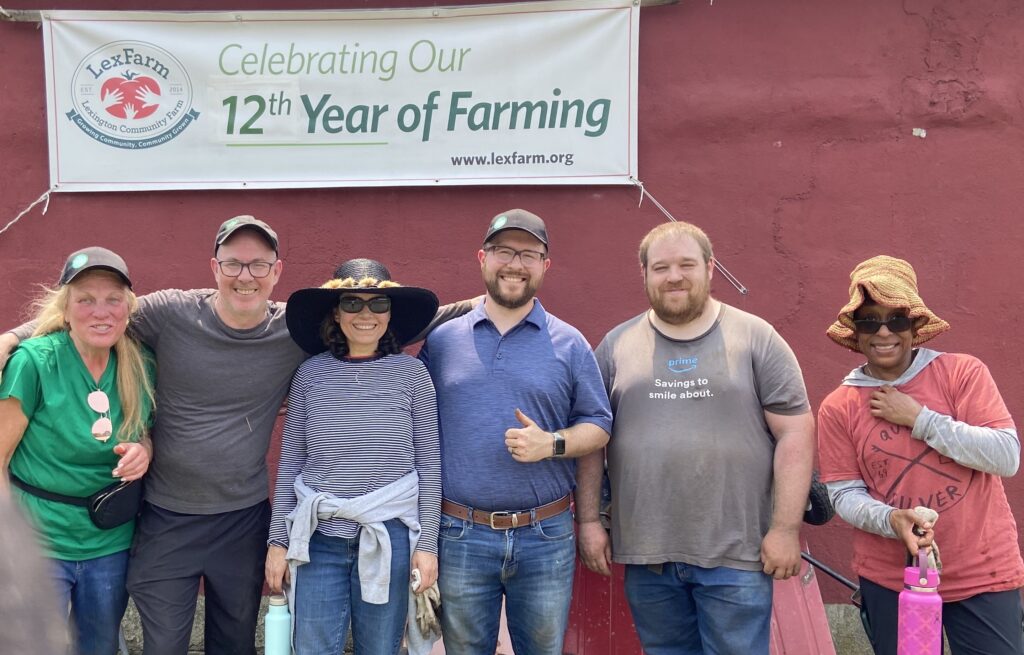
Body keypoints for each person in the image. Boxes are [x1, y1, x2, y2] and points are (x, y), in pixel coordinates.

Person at [0, 216, 470, 655]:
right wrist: (13, 338)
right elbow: (98, 311)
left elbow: (387, 321)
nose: (246, 276)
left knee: (236, 641)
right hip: (166, 516)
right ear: (214, 267)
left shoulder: (295, 330)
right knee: (163, 643)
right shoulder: (171, 312)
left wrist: (480, 305)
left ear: (276, 271)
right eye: (233, 264)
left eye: (259, 265)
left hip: (242, 521)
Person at [576, 221, 814, 655]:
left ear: (710, 267)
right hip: (648, 556)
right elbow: (591, 439)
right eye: (661, 267)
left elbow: (796, 432)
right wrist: (589, 521)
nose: (674, 277)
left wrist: (785, 529)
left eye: (686, 264)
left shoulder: (756, 338)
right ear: (644, 274)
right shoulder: (615, 346)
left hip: (738, 556)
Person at [419, 208, 613, 655]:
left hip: (545, 535)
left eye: (529, 255)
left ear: (545, 266)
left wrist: (553, 443)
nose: (515, 264)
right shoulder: (443, 341)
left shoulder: (570, 343)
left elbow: (599, 425)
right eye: (503, 251)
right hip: (460, 533)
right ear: (482, 258)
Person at [817, 255, 1024, 655]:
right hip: (891, 579)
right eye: (869, 321)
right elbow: (844, 494)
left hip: (983, 571)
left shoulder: (962, 373)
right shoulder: (839, 406)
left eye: (896, 319)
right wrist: (891, 520)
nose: (883, 332)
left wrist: (919, 418)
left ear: (914, 325)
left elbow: (1005, 456)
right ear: (855, 331)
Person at [265, 258, 442, 655]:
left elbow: (430, 467)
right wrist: (277, 542)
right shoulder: (310, 375)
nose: (366, 314)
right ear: (336, 312)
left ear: (390, 314)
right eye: (352, 303)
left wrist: (427, 546)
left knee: (380, 648)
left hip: (389, 537)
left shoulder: (413, 376)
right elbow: (291, 463)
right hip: (318, 539)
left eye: (378, 303)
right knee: (311, 648)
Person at [0, 246, 155, 655]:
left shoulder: (140, 364)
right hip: (40, 541)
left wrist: (144, 450)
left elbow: (145, 432)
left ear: (128, 309)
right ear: (65, 310)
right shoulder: (35, 363)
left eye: (113, 300)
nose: (101, 312)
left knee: (99, 646)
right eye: (85, 300)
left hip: (110, 542)